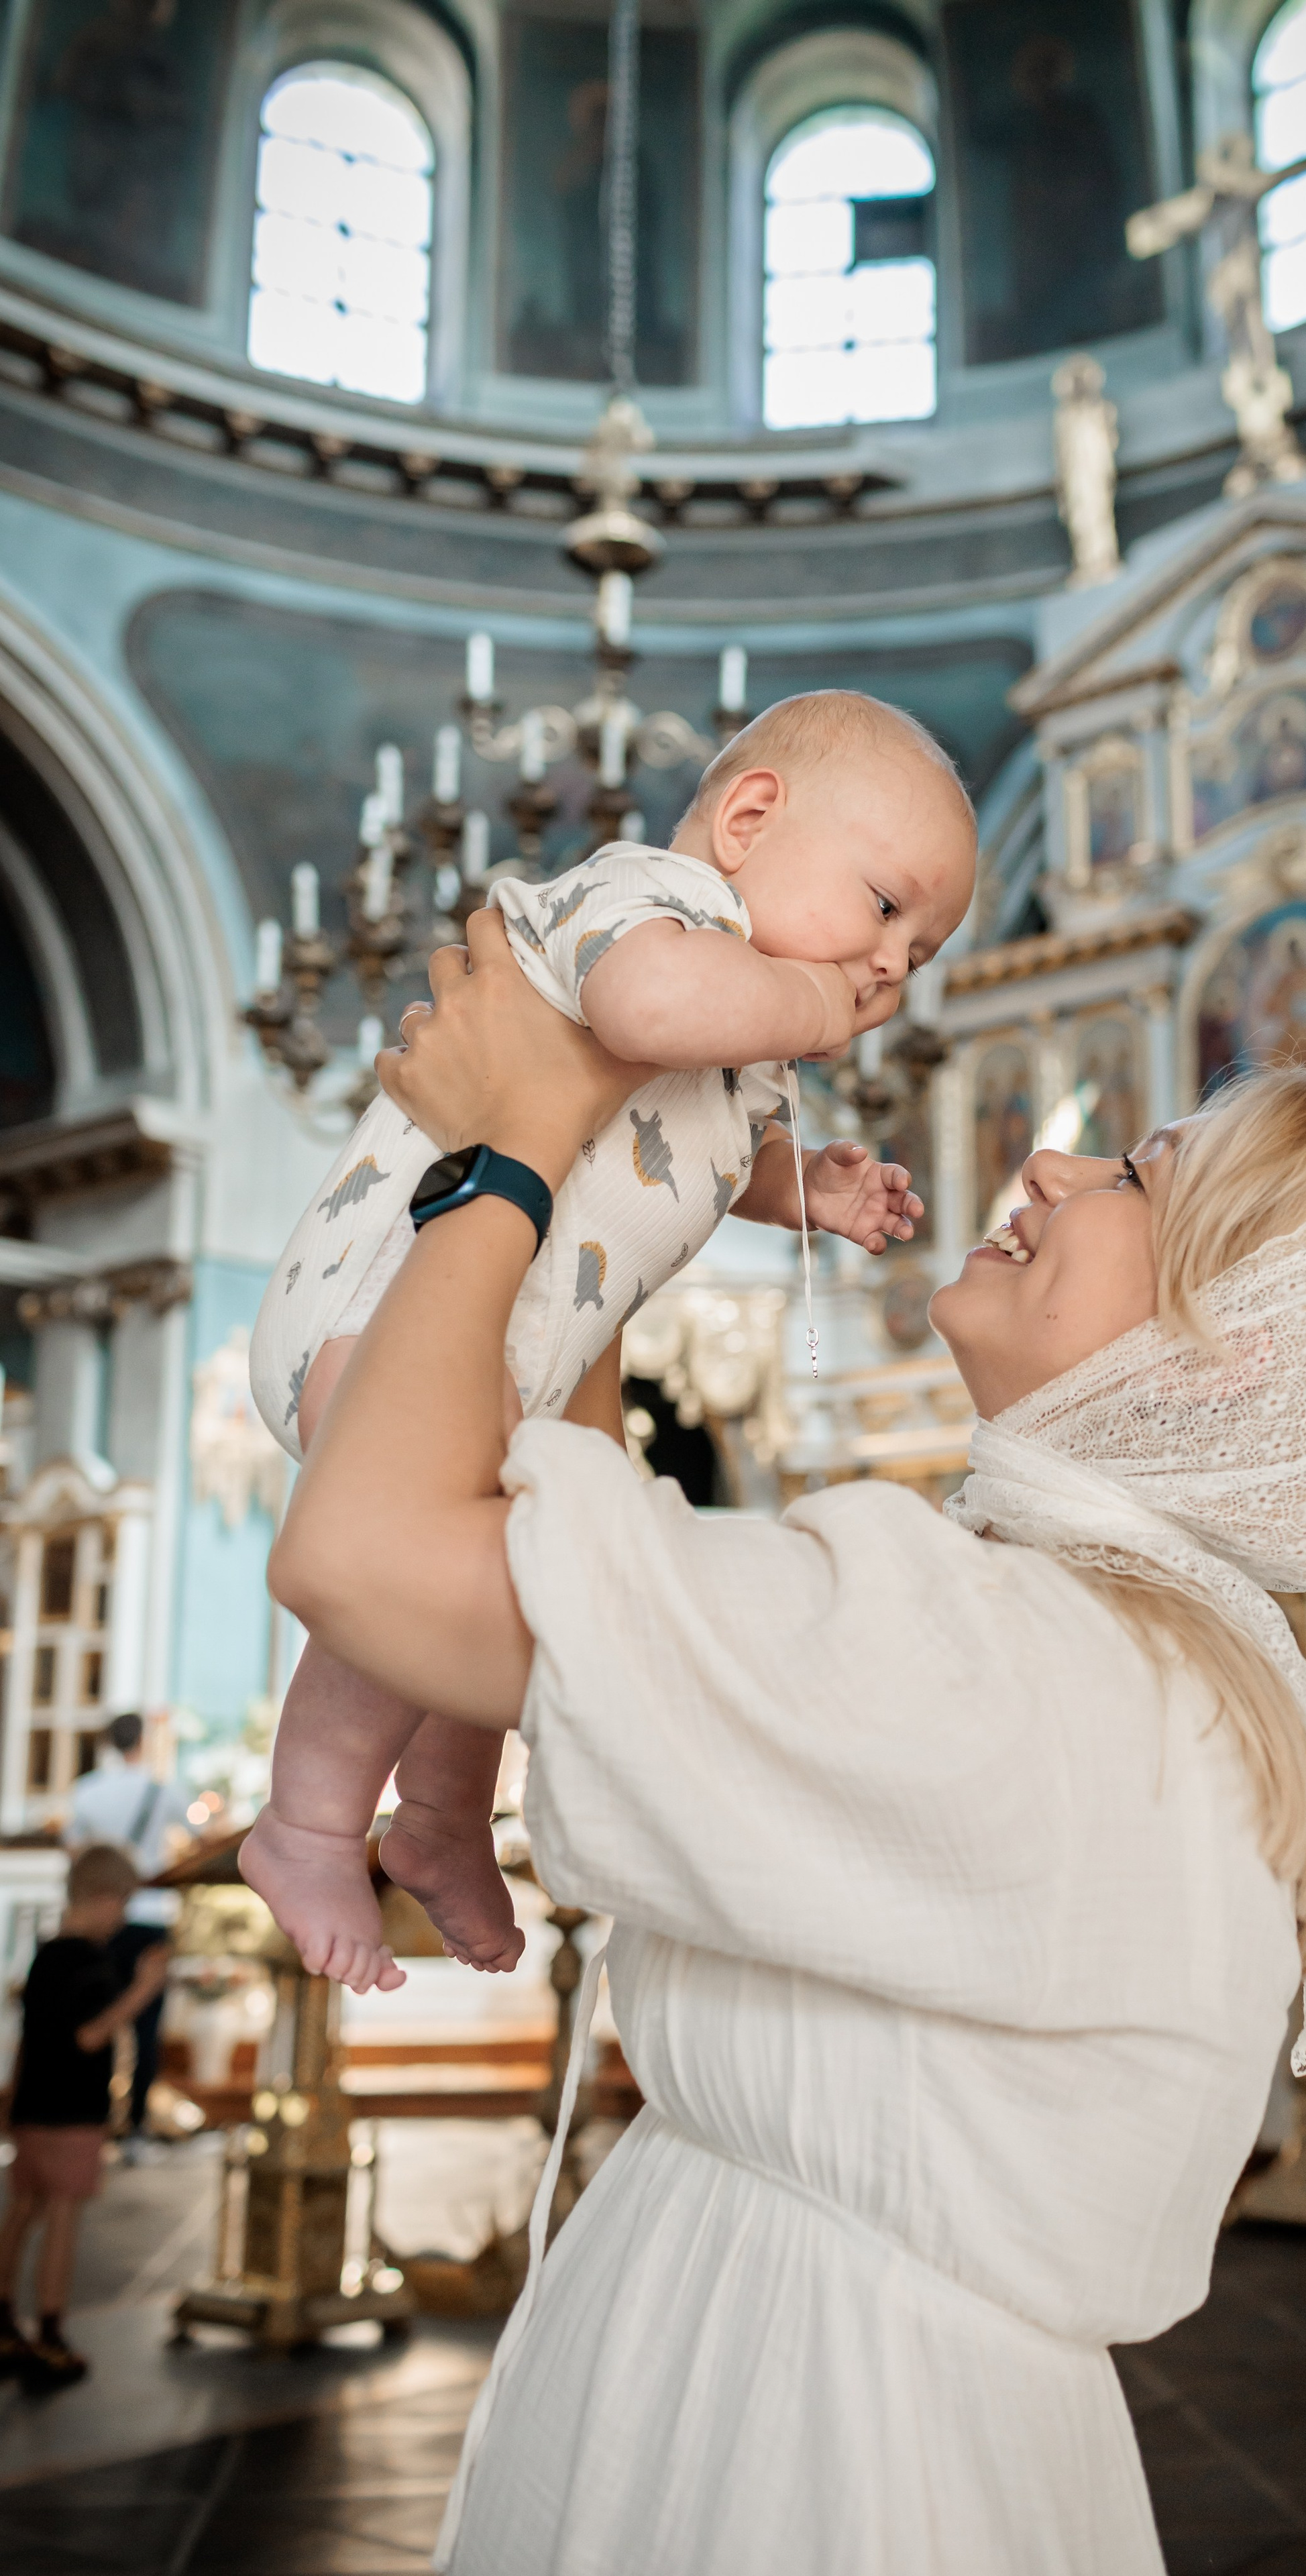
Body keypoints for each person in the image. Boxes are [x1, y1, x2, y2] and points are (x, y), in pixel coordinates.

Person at [266, 908, 1306, 2576]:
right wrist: (622, 1190)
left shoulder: (999, 1648)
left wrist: (515, 1148)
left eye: (1129, 1174)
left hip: (791, 2434)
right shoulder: (1113, 1651)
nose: (1047, 1175)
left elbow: (364, 1551)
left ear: (1222, 1351)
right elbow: (603, 1557)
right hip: (889, 2401)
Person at [243, 691, 976, 1995]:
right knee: (389, 1580)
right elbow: (642, 1012)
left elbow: (674, 1138)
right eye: (883, 909)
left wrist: (801, 1187)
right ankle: (304, 1826)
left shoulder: (733, 1028)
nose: (887, 970)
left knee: (512, 1570)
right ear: (748, 820)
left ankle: (441, 1821)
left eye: (918, 952)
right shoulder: (644, 905)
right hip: (384, 1306)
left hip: (506, 1349)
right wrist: (806, 1001)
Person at [0, 1845, 172, 2391]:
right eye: (121, 1905)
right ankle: (51, 2330)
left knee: (23, 2211)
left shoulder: (47, 1953)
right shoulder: (90, 1961)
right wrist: (144, 1990)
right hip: (72, 2110)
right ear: (102, 1900)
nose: (121, 1918)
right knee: (63, 2217)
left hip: (33, 2106)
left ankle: (4, 2320)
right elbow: (90, 2036)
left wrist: (11, 2104)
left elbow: (32, 2039)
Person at [66, 1710, 188, 2153]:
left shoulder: (87, 1791)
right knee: (145, 2028)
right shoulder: (163, 1789)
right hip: (151, 1913)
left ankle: (92, 2126)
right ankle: (135, 2129)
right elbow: (196, 1833)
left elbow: (76, 1854)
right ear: (145, 1741)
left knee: (99, 2016)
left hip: (100, 1920)